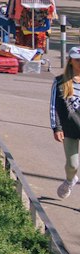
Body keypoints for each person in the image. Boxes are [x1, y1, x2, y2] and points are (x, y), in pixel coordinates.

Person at [52, 46, 80, 200]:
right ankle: (70, 180)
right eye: (77, 60)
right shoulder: (60, 81)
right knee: (73, 165)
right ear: (70, 61)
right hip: (70, 128)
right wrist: (57, 127)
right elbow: (53, 106)